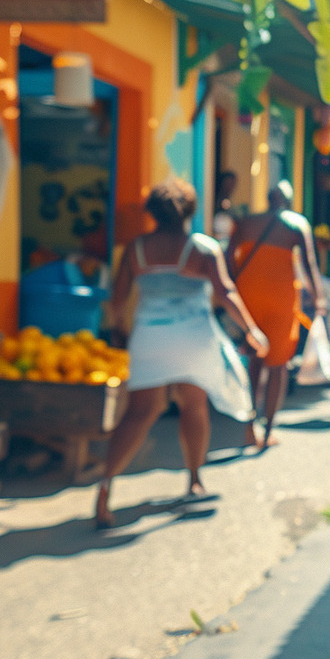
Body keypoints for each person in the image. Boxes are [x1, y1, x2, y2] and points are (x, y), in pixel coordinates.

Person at [95, 179, 267, 529]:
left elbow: (117, 300)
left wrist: (119, 330)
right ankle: (194, 479)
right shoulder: (202, 248)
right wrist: (251, 329)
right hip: (193, 337)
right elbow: (226, 292)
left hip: (150, 338)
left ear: (152, 213)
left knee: (139, 414)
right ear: (190, 211)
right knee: (194, 406)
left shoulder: (136, 249)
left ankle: (105, 488)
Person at [228, 181, 328, 449]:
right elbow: (309, 263)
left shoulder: (247, 223)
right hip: (281, 299)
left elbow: (228, 258)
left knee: (253, 362)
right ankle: (269, 428)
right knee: (278, 365)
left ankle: (250, 425)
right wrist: (319, 298)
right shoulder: (296, 224)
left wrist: (228, 293)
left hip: (248, 297)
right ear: (287, 201)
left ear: (268, 198)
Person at [211, 170, 239, 248]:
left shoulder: (231, 207)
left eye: (232, 184)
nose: (230, 187)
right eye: (228, 184)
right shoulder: (212, 204)